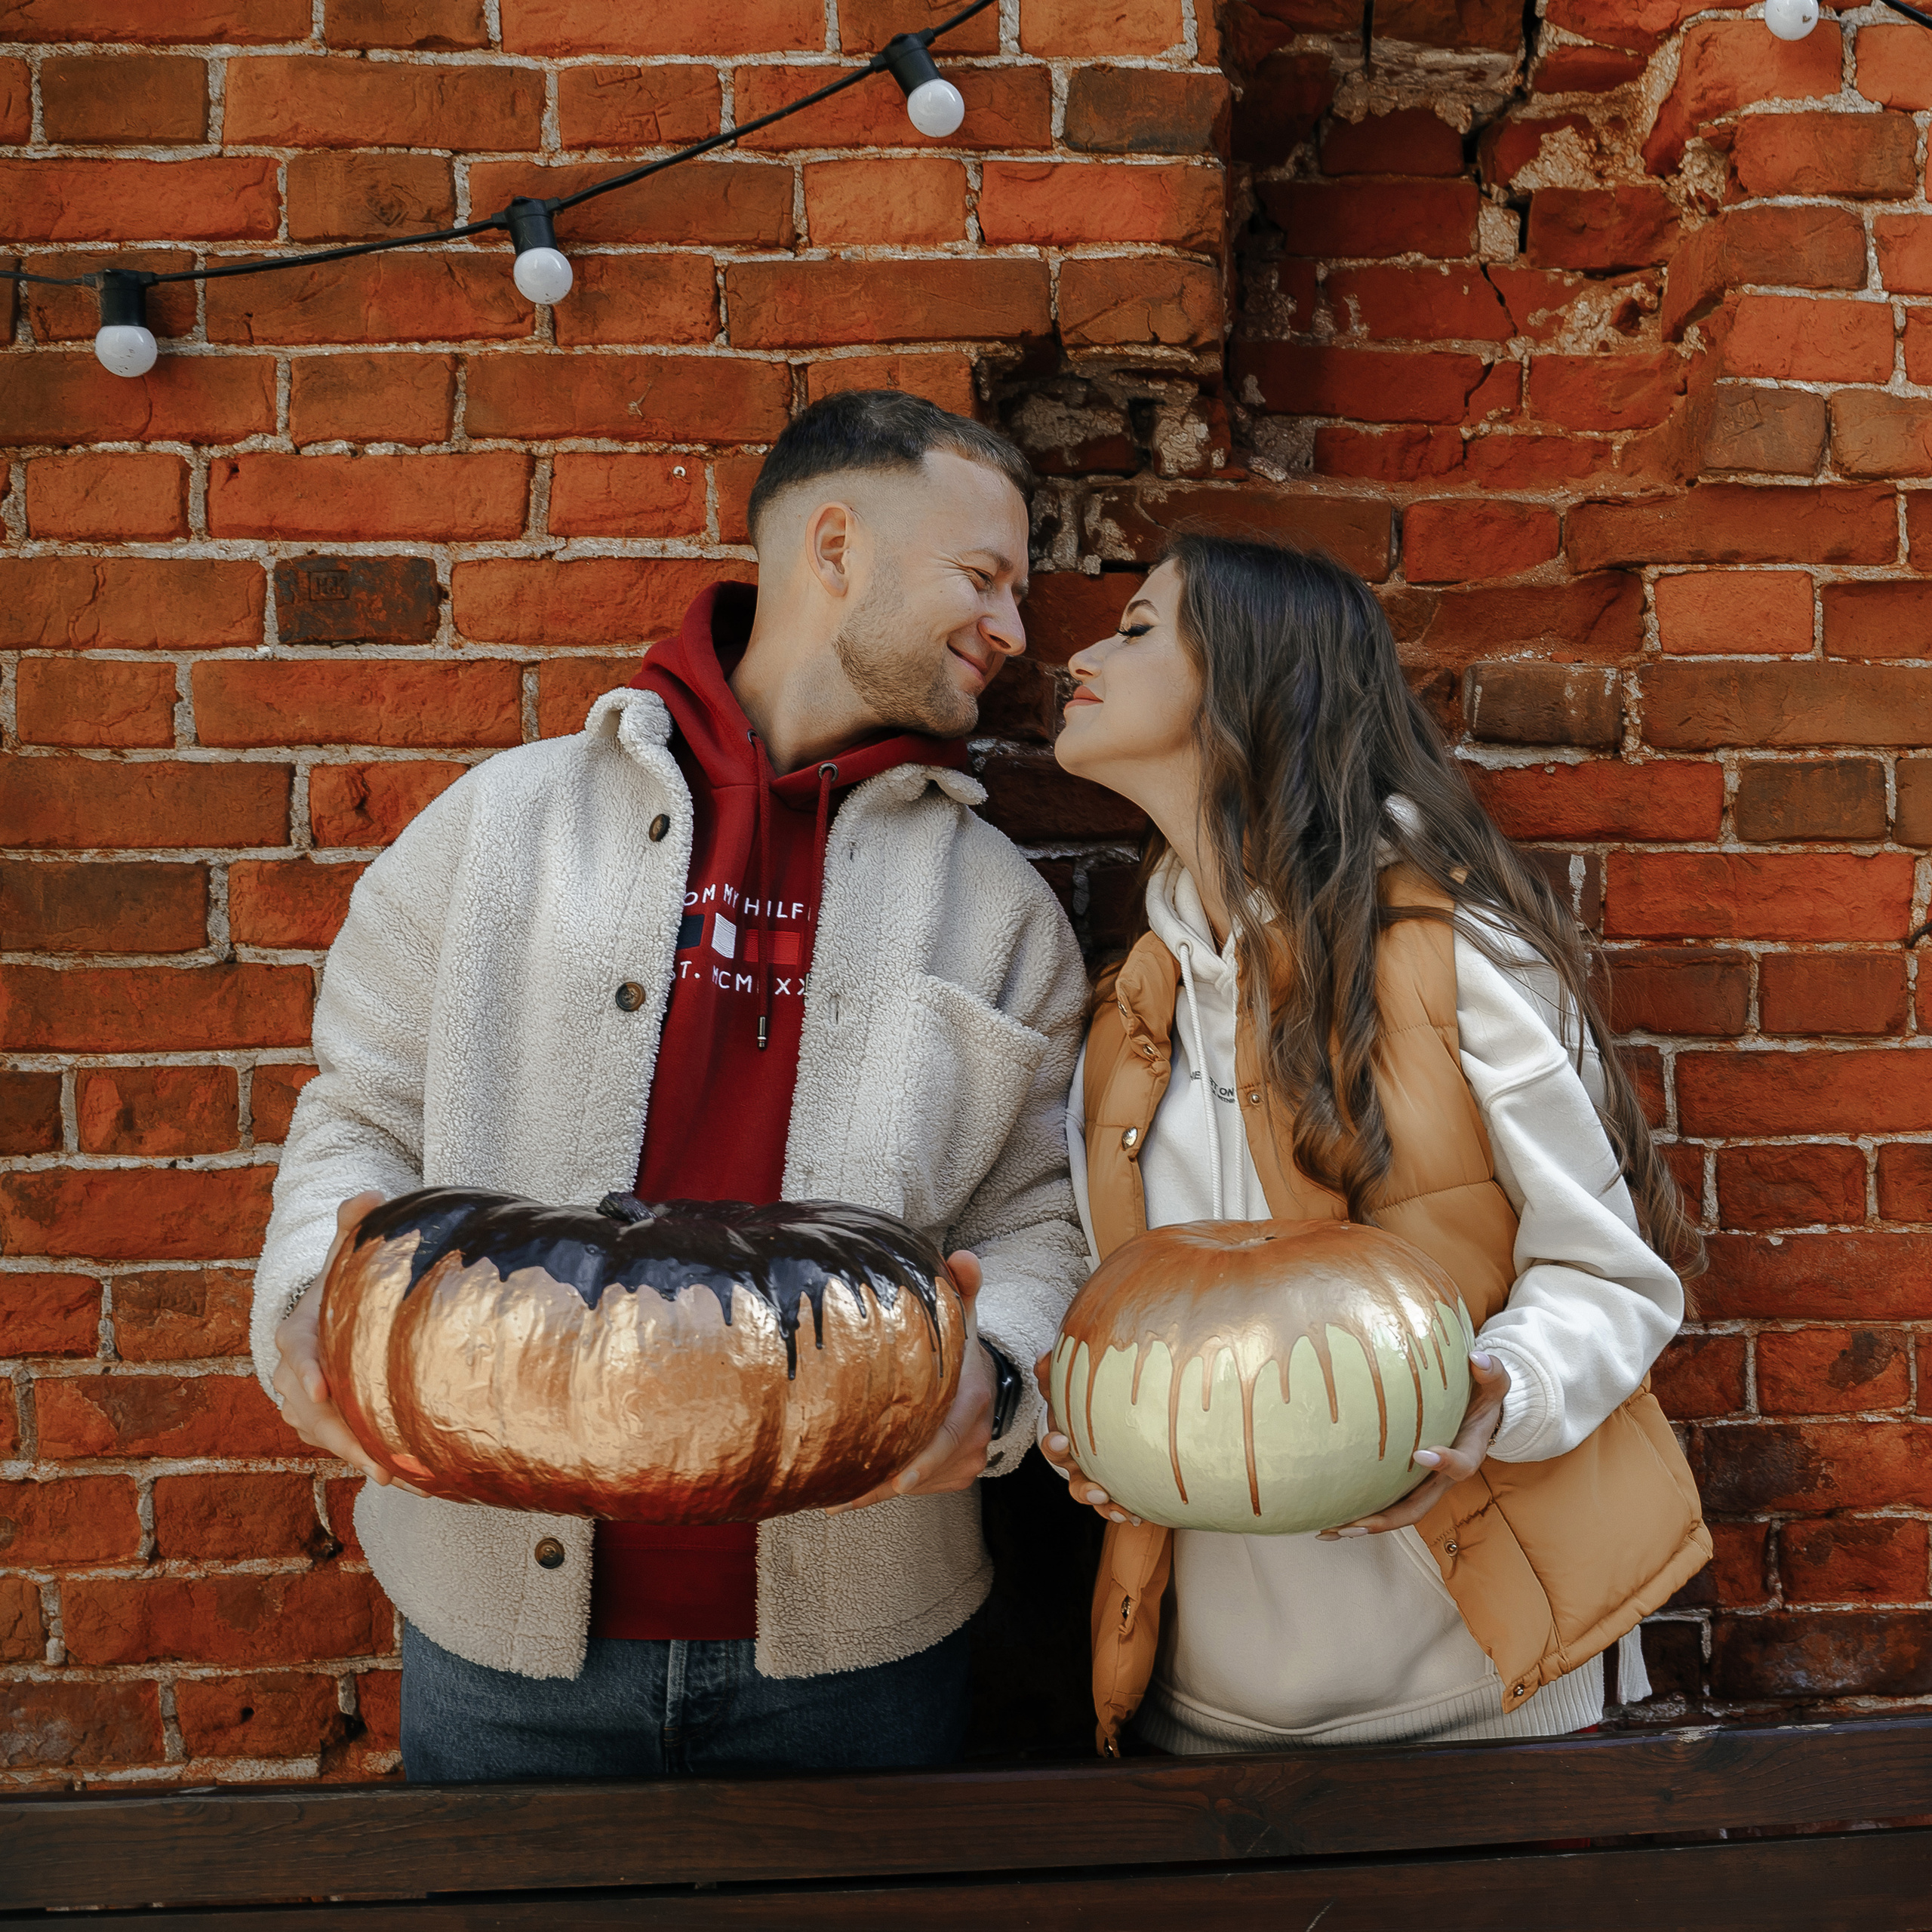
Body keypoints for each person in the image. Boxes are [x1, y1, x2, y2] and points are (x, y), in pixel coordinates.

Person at [251, 390, 1090, 1781]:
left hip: (859, 1645)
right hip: (498, 1634)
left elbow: (1044, 1212)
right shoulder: (501, 824)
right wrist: (308, 1321)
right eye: (984, 578)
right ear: (836, 546)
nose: (1012, 630)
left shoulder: (999, 909)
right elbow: (362, 1113)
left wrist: (995, 1377)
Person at [1038, 532, 1712, 1756]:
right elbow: (1139, 1317)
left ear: (1254, 680)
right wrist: (1085, 1420)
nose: (1083, 652)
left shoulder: (1446, 949)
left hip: (1489, 1688)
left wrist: (1497, 1392)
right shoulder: (1128, 1017)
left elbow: (1613, 1273)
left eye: (1138, 629)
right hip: (1212, 1712)